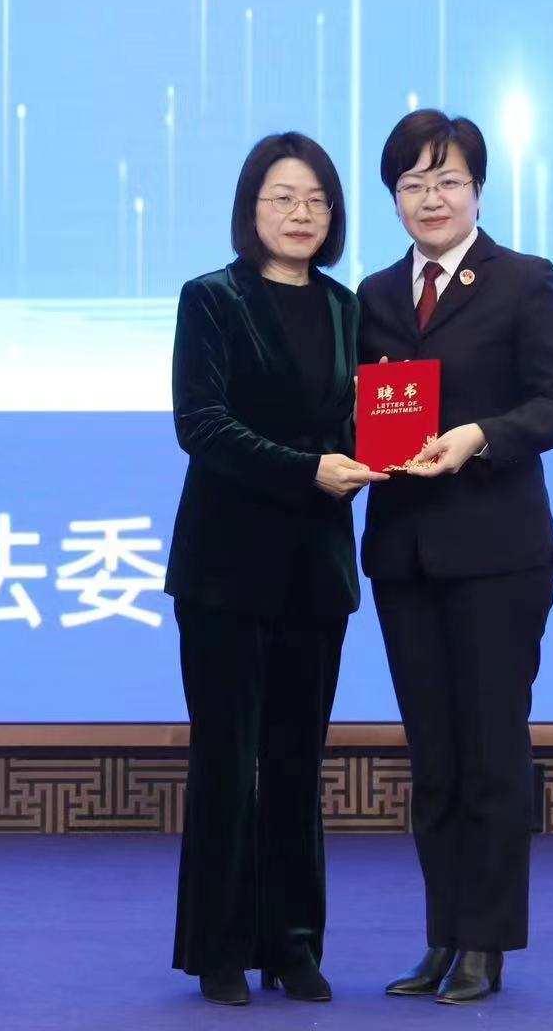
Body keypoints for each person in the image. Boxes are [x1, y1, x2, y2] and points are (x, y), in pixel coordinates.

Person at [355, 109, 553, 1004]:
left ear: (478, 191)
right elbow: (358, 406)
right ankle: (440, 935)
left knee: (490, 755)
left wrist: (479, 436)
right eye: (413, 184)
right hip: (405, 556)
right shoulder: (374, 295)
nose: (431, 198)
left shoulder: (524, 280)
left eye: (447, 180)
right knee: (434, 761)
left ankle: (485, 943)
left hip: (498, 555)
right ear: (393, 198)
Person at [164, 131, 386, 1006]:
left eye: (316, 200)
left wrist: (387, 451)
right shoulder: (210, 300)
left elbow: (364, 423)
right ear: (249, 209)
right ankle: (218, 948)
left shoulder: (347, 310)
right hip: (224, 568)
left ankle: (291, 944)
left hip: (314, 569)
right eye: (282, 198)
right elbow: (201, 425)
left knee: (297, 763)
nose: (301, 213)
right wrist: (307, 470)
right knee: (228, 761)